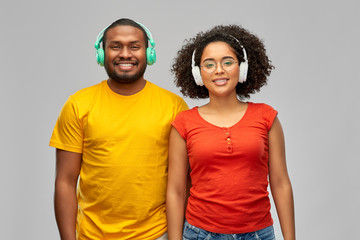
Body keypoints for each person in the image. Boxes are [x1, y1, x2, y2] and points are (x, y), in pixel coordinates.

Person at [50, 18, 188, 240]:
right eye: (115, 46)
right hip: (91, 236)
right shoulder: (78, 105)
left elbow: (183, 183)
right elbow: (65, 181)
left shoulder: (174, 106)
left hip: (157, 234)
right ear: (102, 53)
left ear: (148, 53)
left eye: (134, 46)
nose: (125, 54)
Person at [166, 25, 295, 240]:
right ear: (198, 73)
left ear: (242, 68)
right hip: (200, 234)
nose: (219, 70)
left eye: (228, 62)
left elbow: (281, 183)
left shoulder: (267, 117)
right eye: (209, 64)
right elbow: (176, 191)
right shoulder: (184, 123)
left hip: (259, 234)